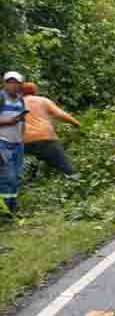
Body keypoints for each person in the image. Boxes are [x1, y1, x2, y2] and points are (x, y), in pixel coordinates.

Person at [22, 82, 80, 177]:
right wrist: (76, 123)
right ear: (35, 91)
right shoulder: (43, 101)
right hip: (46, 138)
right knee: (66, 167)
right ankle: (76, 181)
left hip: (24, 142)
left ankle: (29, 184)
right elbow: (60, 114)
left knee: (27, 169)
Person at [0, 72, 26, 216]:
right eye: (9, 82)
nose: (13, 85)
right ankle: (4, 212)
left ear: (20, 85)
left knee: (16, 176)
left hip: (18, 143)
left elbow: (23, 121)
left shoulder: (20, 100)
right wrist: (8, 122)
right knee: (7, 177)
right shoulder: (1, 97)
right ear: (4, 83)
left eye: (16, 82)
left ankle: (12, 209)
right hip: (3, 142)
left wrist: (22, 138)